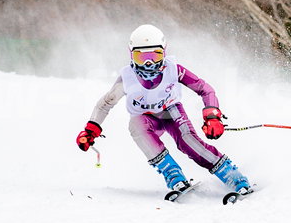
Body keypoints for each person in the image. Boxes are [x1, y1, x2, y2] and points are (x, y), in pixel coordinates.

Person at [75, 24, 253, 197]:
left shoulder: (174, 70)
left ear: (164, 52)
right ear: (131, 55)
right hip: (146, 118)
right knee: (136, 125)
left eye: (155, 55)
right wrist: (91, 130)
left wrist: (212, 115)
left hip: (170, 112)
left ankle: (233, 177)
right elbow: (105, 104)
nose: (148, 63)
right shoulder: (127, 78)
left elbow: (204, 89)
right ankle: (174, 175)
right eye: (141, 57)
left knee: (188, 142)